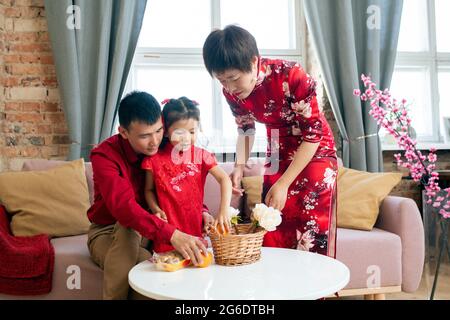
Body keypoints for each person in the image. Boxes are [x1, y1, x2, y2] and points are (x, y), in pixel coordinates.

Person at [203, 25, 338, 257]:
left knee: (309, 227)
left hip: (315, 151)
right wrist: (238, 167)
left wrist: (284, 183)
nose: (229, 88)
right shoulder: (231, 92)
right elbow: (245, 128)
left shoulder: (290, 75)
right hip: (277, 148)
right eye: (222, 80)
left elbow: (313, 134)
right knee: (269, 221)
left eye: (234, 78)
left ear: (254, 61)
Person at [86, 91, 209, 300]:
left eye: (159, 131)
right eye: (144, 136)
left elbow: (184, 182)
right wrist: (173, 234)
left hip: (151, 234)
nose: (154, 142)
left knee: (151, 270)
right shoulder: (104, 156)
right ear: (123, 132)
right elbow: (123, 209)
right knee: (134, 244)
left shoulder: (165, 147)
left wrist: (203, 211)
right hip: (108, 231)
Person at [142, 97, 233, 254]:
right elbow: (148, 190)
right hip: (167, 234)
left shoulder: (202, 155)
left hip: (195, 232)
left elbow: (224, 179)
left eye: (192, 132)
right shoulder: (153, 160)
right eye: (179, 132)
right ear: (165, 131)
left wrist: (223, 210)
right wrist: (155, 209)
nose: (187, 138)